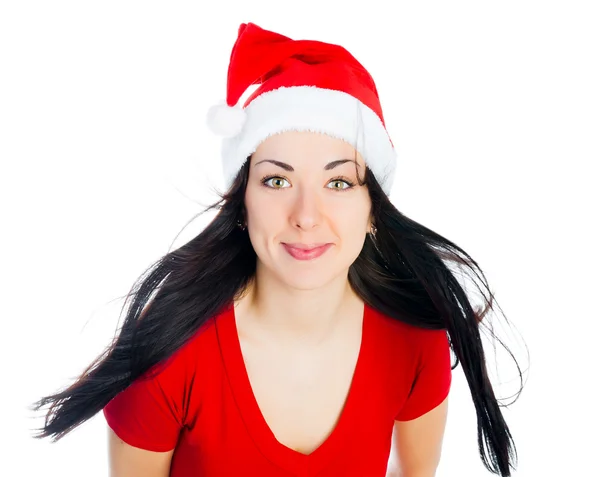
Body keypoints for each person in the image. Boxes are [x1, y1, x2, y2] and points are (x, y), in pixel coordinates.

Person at [31, 22, 525, 476]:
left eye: (339, 182)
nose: (306, 215)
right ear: (241, 204)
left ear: (373, 209)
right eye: (275, 179)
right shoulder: (169, 354)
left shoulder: (416, 339)